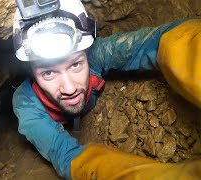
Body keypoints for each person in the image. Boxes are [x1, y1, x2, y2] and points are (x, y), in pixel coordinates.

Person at [11, 0, 201, 179]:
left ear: (87, 53)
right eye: (49, 73)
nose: (69, 88)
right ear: (30, 71)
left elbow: (160, 39)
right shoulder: (26, 103)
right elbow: (65, 155)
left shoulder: (98, 54)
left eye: (76, 64)